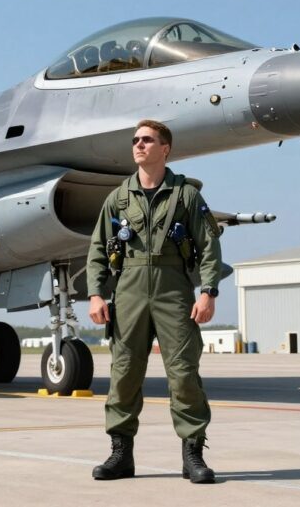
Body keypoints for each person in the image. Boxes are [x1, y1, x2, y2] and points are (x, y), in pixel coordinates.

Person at [86, 119, 223, 484]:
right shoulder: (118, 198)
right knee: (124, 373)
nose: (139, 145)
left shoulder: (187, 196)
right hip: (128, 290)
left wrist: (208, 291)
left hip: (173, 288)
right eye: (135, 140)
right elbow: (97, 249)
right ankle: (120, 454)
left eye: (147, 140)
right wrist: (96, 293)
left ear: (165, 148)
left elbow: (209, 246)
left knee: (183, 373)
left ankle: (193, 454)